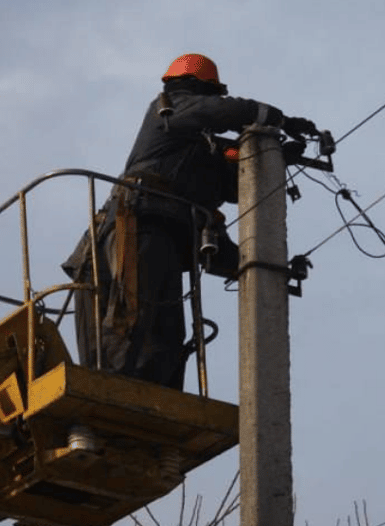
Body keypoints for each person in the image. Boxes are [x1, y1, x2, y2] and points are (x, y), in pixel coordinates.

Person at [62, 53, 320, 390]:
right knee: (131, 324)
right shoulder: (167, 110)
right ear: (196, 88)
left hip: (157, 238)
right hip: (136, 229)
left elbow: (224, 202)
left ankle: (154, 401)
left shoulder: (193, 159)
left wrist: (264, 268)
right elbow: (217, 111)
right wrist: (276, 119)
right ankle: (117, 395)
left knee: (166, 336)